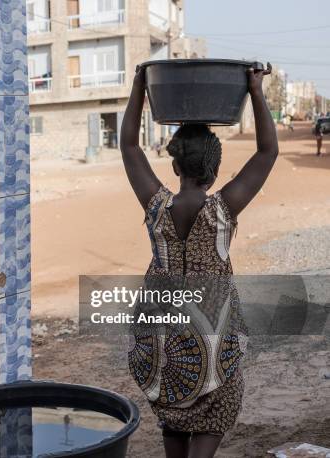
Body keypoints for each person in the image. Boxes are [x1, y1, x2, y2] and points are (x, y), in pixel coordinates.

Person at [120, 63, 277, 458]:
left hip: (163, 339)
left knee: (173, 411)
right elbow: (267, 151)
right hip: (210, 335)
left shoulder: (156, 206)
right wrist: (256, 91)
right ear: (216, 168)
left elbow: (129, 146)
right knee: (218, 398)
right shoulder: (223, 210)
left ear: (174, 166)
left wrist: (139, 86)